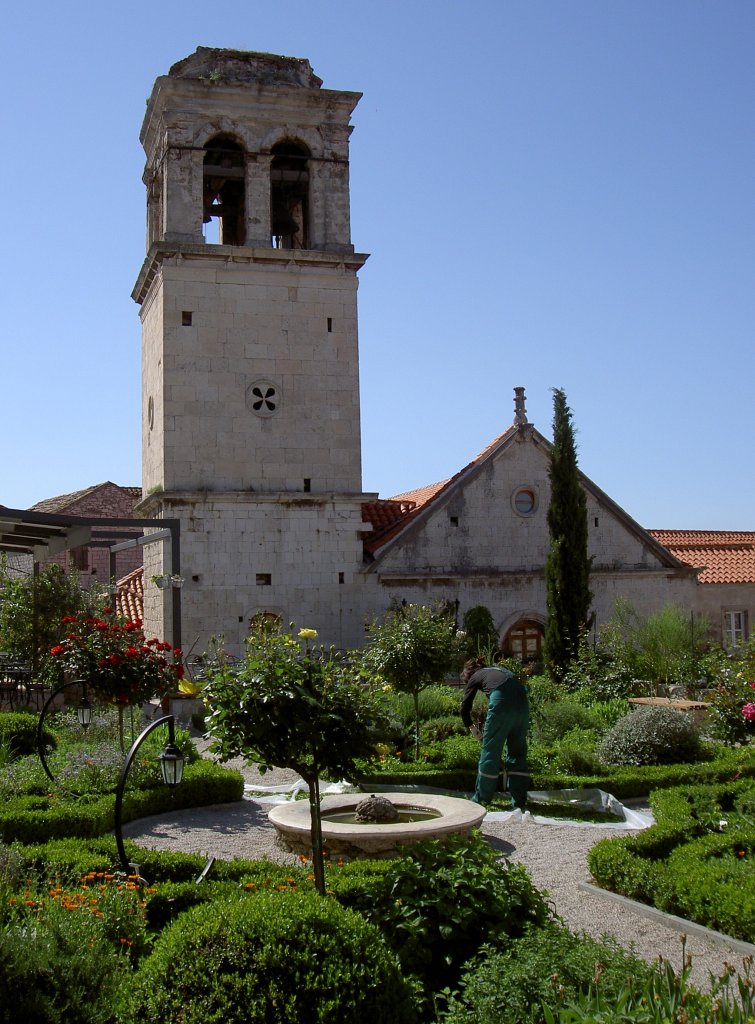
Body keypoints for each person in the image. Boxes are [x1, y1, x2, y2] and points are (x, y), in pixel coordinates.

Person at [460, 655, 530, 809]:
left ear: (469, 675)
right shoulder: (499, 670)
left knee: (491, 752)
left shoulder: (475, 677)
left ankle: (481, 799)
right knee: (517, 753)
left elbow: (464, 708)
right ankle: (519, 801)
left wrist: (472, 728)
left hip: (502, 705)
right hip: (523, 705)